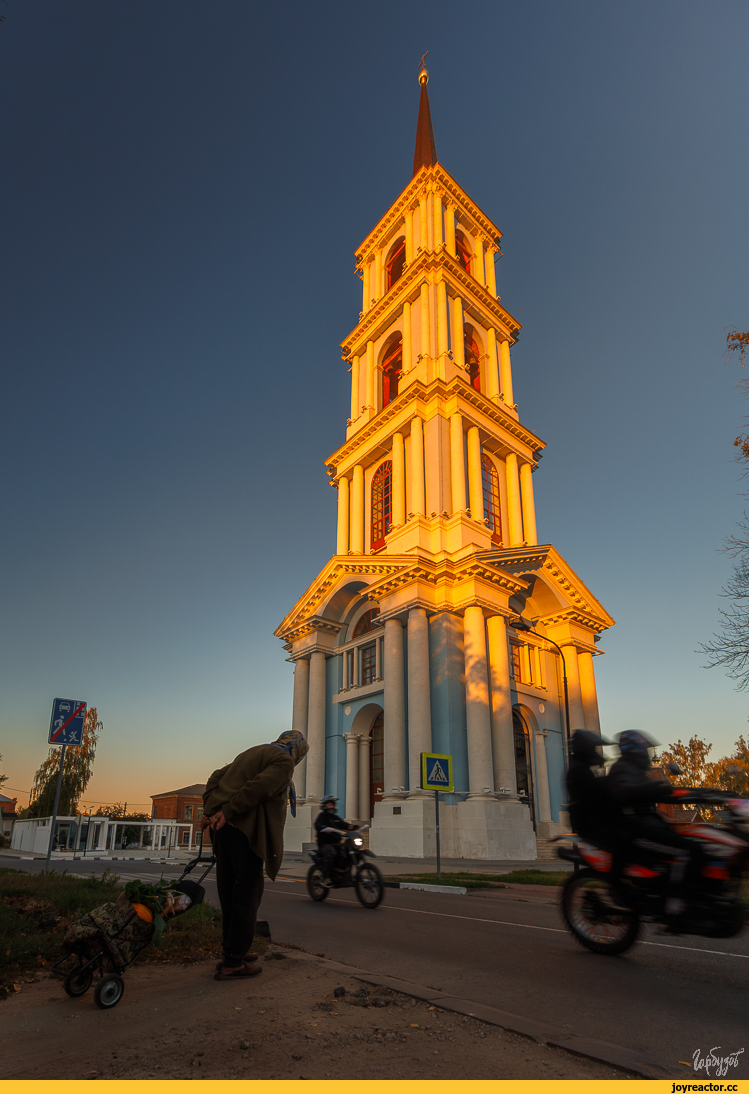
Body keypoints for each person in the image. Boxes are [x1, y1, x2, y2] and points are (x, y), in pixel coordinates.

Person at [202, 729, 309, 980]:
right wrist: (229, 811)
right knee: (247, 895)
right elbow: (260, 788)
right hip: (245, 833)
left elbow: (216, 777)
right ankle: (234, 963)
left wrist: (212, 808)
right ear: (298, 749)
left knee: (229, 893)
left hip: (224, 832)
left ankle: (231, 952)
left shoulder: (254, 750)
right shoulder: (283, 761)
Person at [608, 730, 705, 921]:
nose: (647, 754)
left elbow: (662, 794)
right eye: (644, 750)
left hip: (651, 825)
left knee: (702, 843)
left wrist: (701, 793)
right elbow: (625, 792)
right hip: (637, 830)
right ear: (634, 750)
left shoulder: (637, 773)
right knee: (688, 851)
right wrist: (657, 789)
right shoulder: (621, 770)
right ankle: (675, 904)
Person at [566, 730, 630, 903]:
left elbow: (600, 792)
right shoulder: (579, 771)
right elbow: (597, 798)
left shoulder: (582, 769)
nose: (596, 751)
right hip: (591, 825)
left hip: (595, 821)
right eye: (593, 748)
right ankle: (615, 889)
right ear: (586, 749)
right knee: (624, 841)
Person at [314, 795, 355, 884]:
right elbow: (318, 825)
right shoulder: (322, 816)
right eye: (329, 804)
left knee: (347, 854)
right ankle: (326, 877)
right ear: (324, 806)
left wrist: (355, 827)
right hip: (325, 844)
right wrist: (325, 829)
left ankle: (345, 874)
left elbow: (344, 825)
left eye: (332, 804)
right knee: (331, 854)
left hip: (337, 843)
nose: (331, 806)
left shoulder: (335, 818)